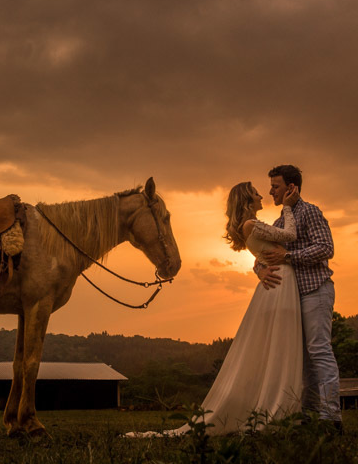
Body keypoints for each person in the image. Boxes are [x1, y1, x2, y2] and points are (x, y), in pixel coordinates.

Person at [125, 181, 303, 437]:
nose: (261, 195)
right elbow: (290, 236)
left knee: (280, 345)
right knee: (281, 345)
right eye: (255, 193)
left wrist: (260, 268)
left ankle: (282, 405)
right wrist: (287, 208)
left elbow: (261, 255)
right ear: (247, 200)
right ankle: (279, 409)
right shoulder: (251, 225)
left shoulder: (251, 227)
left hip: (276, 280)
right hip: (281, 283)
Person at [254, 164, 342, 431]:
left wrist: (289, 256)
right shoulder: (280, 223)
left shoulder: (311, 212)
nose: (270, 191)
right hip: (291, 300)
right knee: (302, 358)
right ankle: (311, 415)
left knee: (319, 351)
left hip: (315, 290)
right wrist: (260, 271)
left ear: (292, 188)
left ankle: (331, 418)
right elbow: (262, 256)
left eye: (276, 186)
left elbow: (326, 248)